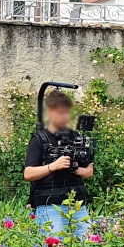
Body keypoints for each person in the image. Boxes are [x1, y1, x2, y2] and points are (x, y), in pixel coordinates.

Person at [23, 89, 94, 237]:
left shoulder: (77, 138)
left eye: (68, 112)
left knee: (88, 246)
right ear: (49, 112)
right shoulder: (39, 140)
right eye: (61, 112)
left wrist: (73, 168)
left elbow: (89, 171)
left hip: (77, 204)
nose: (65, 117)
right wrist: (53, 166)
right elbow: (28, 173)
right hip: (49, 205)